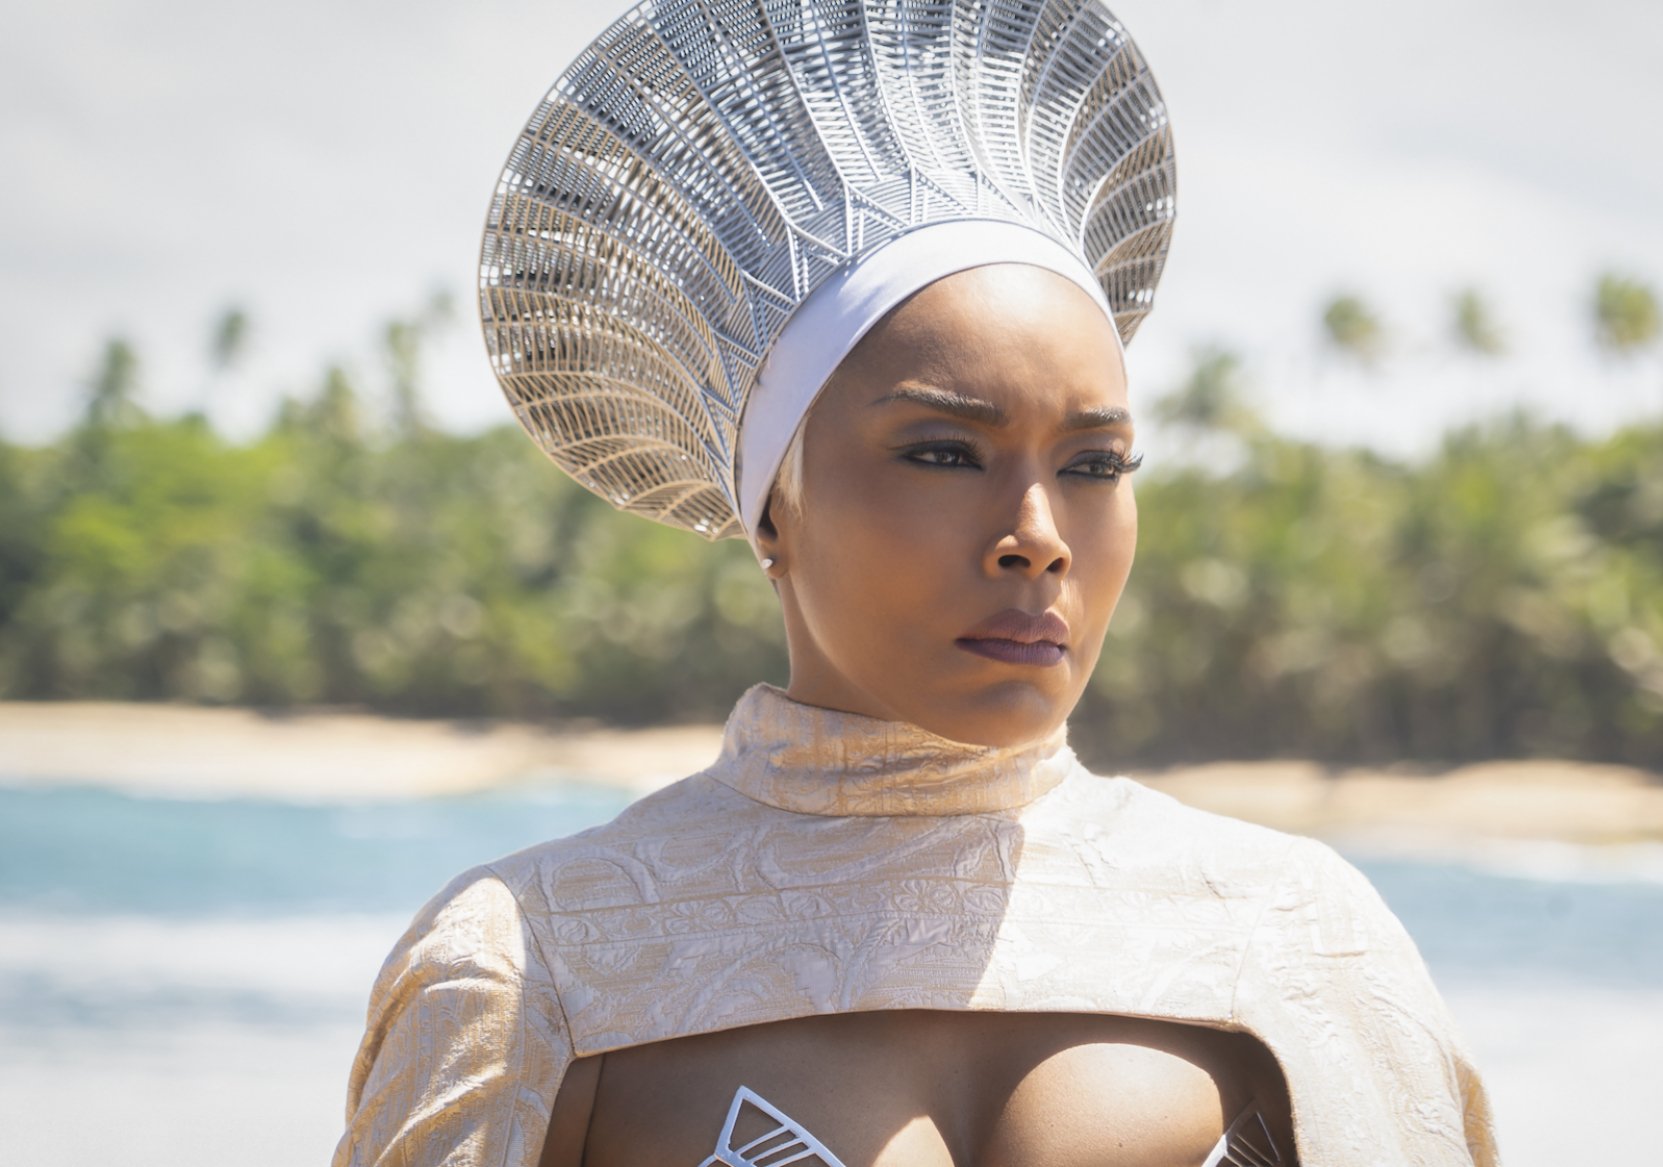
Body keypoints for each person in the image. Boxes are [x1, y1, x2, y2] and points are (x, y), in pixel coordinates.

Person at [333, 1, 1499, 1164]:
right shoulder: (539, 966)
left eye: (1093, 465)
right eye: (943, 453)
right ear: (772, 507)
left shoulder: (1298, 942)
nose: (1036, 536)